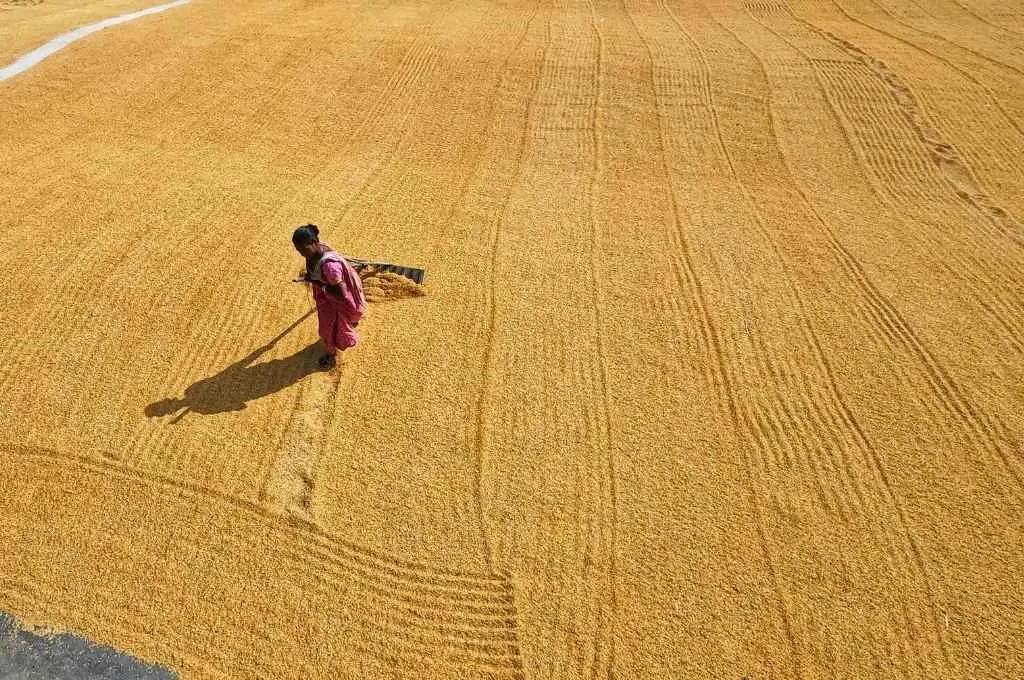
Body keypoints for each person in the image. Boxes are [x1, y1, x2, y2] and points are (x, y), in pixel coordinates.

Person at [291, 224, 367, 368]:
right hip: (327, 294)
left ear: (313, 242)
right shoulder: (315, 251)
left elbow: (341, 293)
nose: (301, 253)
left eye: (303, 249)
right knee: (337, 323)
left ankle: (332, 354)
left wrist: (317, 283)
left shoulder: (330, 267)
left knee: (328, 328)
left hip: (336, 299)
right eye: (298, 250)